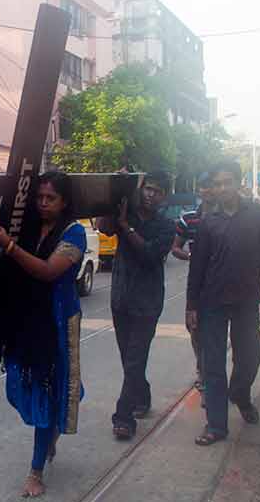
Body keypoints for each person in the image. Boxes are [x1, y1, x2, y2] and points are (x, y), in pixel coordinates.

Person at [0, 171, 86, 498]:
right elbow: (12, 267)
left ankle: (36, 470)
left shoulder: (75, 233)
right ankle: (55, 420)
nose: (43, 203)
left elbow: (47, 271)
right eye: (39, 197)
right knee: (20, 388)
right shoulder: (28, 227)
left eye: (50, 198)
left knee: (46, 392)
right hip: (25, 320)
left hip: (56, 323)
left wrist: (10, 246)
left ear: (64, 201)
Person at [186, 162, 260, 446]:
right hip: (211, 302)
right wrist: (191, 306)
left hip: (246, 301)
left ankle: (240, 394)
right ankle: (216, 425)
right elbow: (197, 267)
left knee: (250, 356)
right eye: (218, 183)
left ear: (239, 183)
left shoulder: (259, 215)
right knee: (212, 363)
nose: (223, 188)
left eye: (228, 182)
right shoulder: (208, 221)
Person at [97, 171, 175, 440]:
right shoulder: (125, 213)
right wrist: (115, 193)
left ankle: (123, 417)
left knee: (134, 359)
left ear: (164, 197)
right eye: (147, 189)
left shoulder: (167, 225)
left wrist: (126, 227)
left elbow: (151, 254)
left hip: (148, 301)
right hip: (121, 298)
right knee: (128, 358)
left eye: (157, 191)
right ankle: (142, 396)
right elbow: (103, 227)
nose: (151, 194)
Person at [171, 172, 217, 392]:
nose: (207, 191)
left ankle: (213, 374)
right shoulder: (189, 219)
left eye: (211, 186)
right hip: (197, 284)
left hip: (223, 283)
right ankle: (203, 369)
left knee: (217, 332)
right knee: (195, 329)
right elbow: (176, 248)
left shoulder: (227, 217)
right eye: (204, 187)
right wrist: (192, 257)